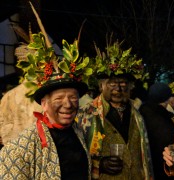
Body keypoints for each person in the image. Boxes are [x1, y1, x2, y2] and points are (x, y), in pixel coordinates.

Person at [0, 4, 92, 179]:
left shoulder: (78, 132)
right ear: (43, 103)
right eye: (59, 98)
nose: (68, 104)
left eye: (73, 97)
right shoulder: (18, 149)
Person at [77, 41, 153, 179]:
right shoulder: (85, 114)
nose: (118, 89)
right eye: (112, 83)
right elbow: (75, 155)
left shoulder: (138, 115)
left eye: (123, 83)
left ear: (130, 86)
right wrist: (99, 164)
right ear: (101, 86)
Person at [140, 82, 174, 180]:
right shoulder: (164, 119)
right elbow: (172, 144)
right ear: (167, 98)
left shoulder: (140, 112)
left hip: (144, 168)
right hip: (161, 169)